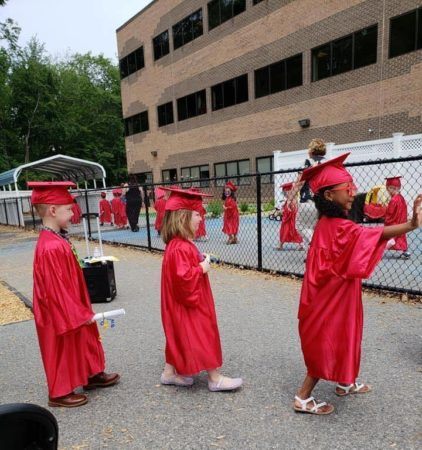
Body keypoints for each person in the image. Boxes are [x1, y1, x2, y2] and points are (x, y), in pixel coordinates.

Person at [293, 154, 421, 415]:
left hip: (338, 292)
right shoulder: (338, 225)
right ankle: (303, 396)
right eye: (347, 189)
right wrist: (411, 224)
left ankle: (344, 381)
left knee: (348, 333)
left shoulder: (328, 223)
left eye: (352, 187)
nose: (353, 193)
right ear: (328, 196)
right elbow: (372, 234)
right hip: (329, 297)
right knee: (329, 337)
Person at [27, 181, 120, 408]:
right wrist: (75, 311)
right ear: (52, 210)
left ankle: (91, 374)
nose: (73, 214)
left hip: (72, 303)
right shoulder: (50, 246)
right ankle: (59, 393)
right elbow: (55, 289)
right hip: (58, 308)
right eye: (68, 209)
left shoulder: (56, 238)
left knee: (84, 335)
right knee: (61, 344)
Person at [160, 186, 243, 392]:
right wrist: (201, 267)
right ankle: (214, 378)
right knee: (202, 330)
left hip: (177, 304)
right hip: (189, 303)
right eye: (197, 214)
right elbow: (184, 278)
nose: (201, 218)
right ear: (183, 217)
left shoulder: (178, 244)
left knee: (177, 333)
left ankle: (169, 373)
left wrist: (197, 258)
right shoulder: (181, 247)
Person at [384, 176, 410, 259]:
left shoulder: (393, 200)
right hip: (402, 221)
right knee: (401, 236)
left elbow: (390, 213)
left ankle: (379, 250)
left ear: (392, 188)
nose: (388, 191)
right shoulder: (401, 198)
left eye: (389, 188)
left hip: (394, 222)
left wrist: (386, 218)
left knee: (388, 235)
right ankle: (405, 251)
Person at [276, 182, 304, 251]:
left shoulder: (293, 200)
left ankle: (300, 245)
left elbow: (292, 211)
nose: (285, 194)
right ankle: (281, 244)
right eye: (284, 192)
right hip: (288, 220)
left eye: (286, 192)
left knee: (294, 231)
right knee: (284, 232)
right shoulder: (290, 200)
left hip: (291, 220)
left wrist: (282, 211)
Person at [300, 138, 327, 203]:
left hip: (309, 198)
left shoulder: (309, 161)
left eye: (309, 148)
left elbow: (300, 181)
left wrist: (290, 198)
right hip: (324, 196)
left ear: (312, 150)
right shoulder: (327, 161)